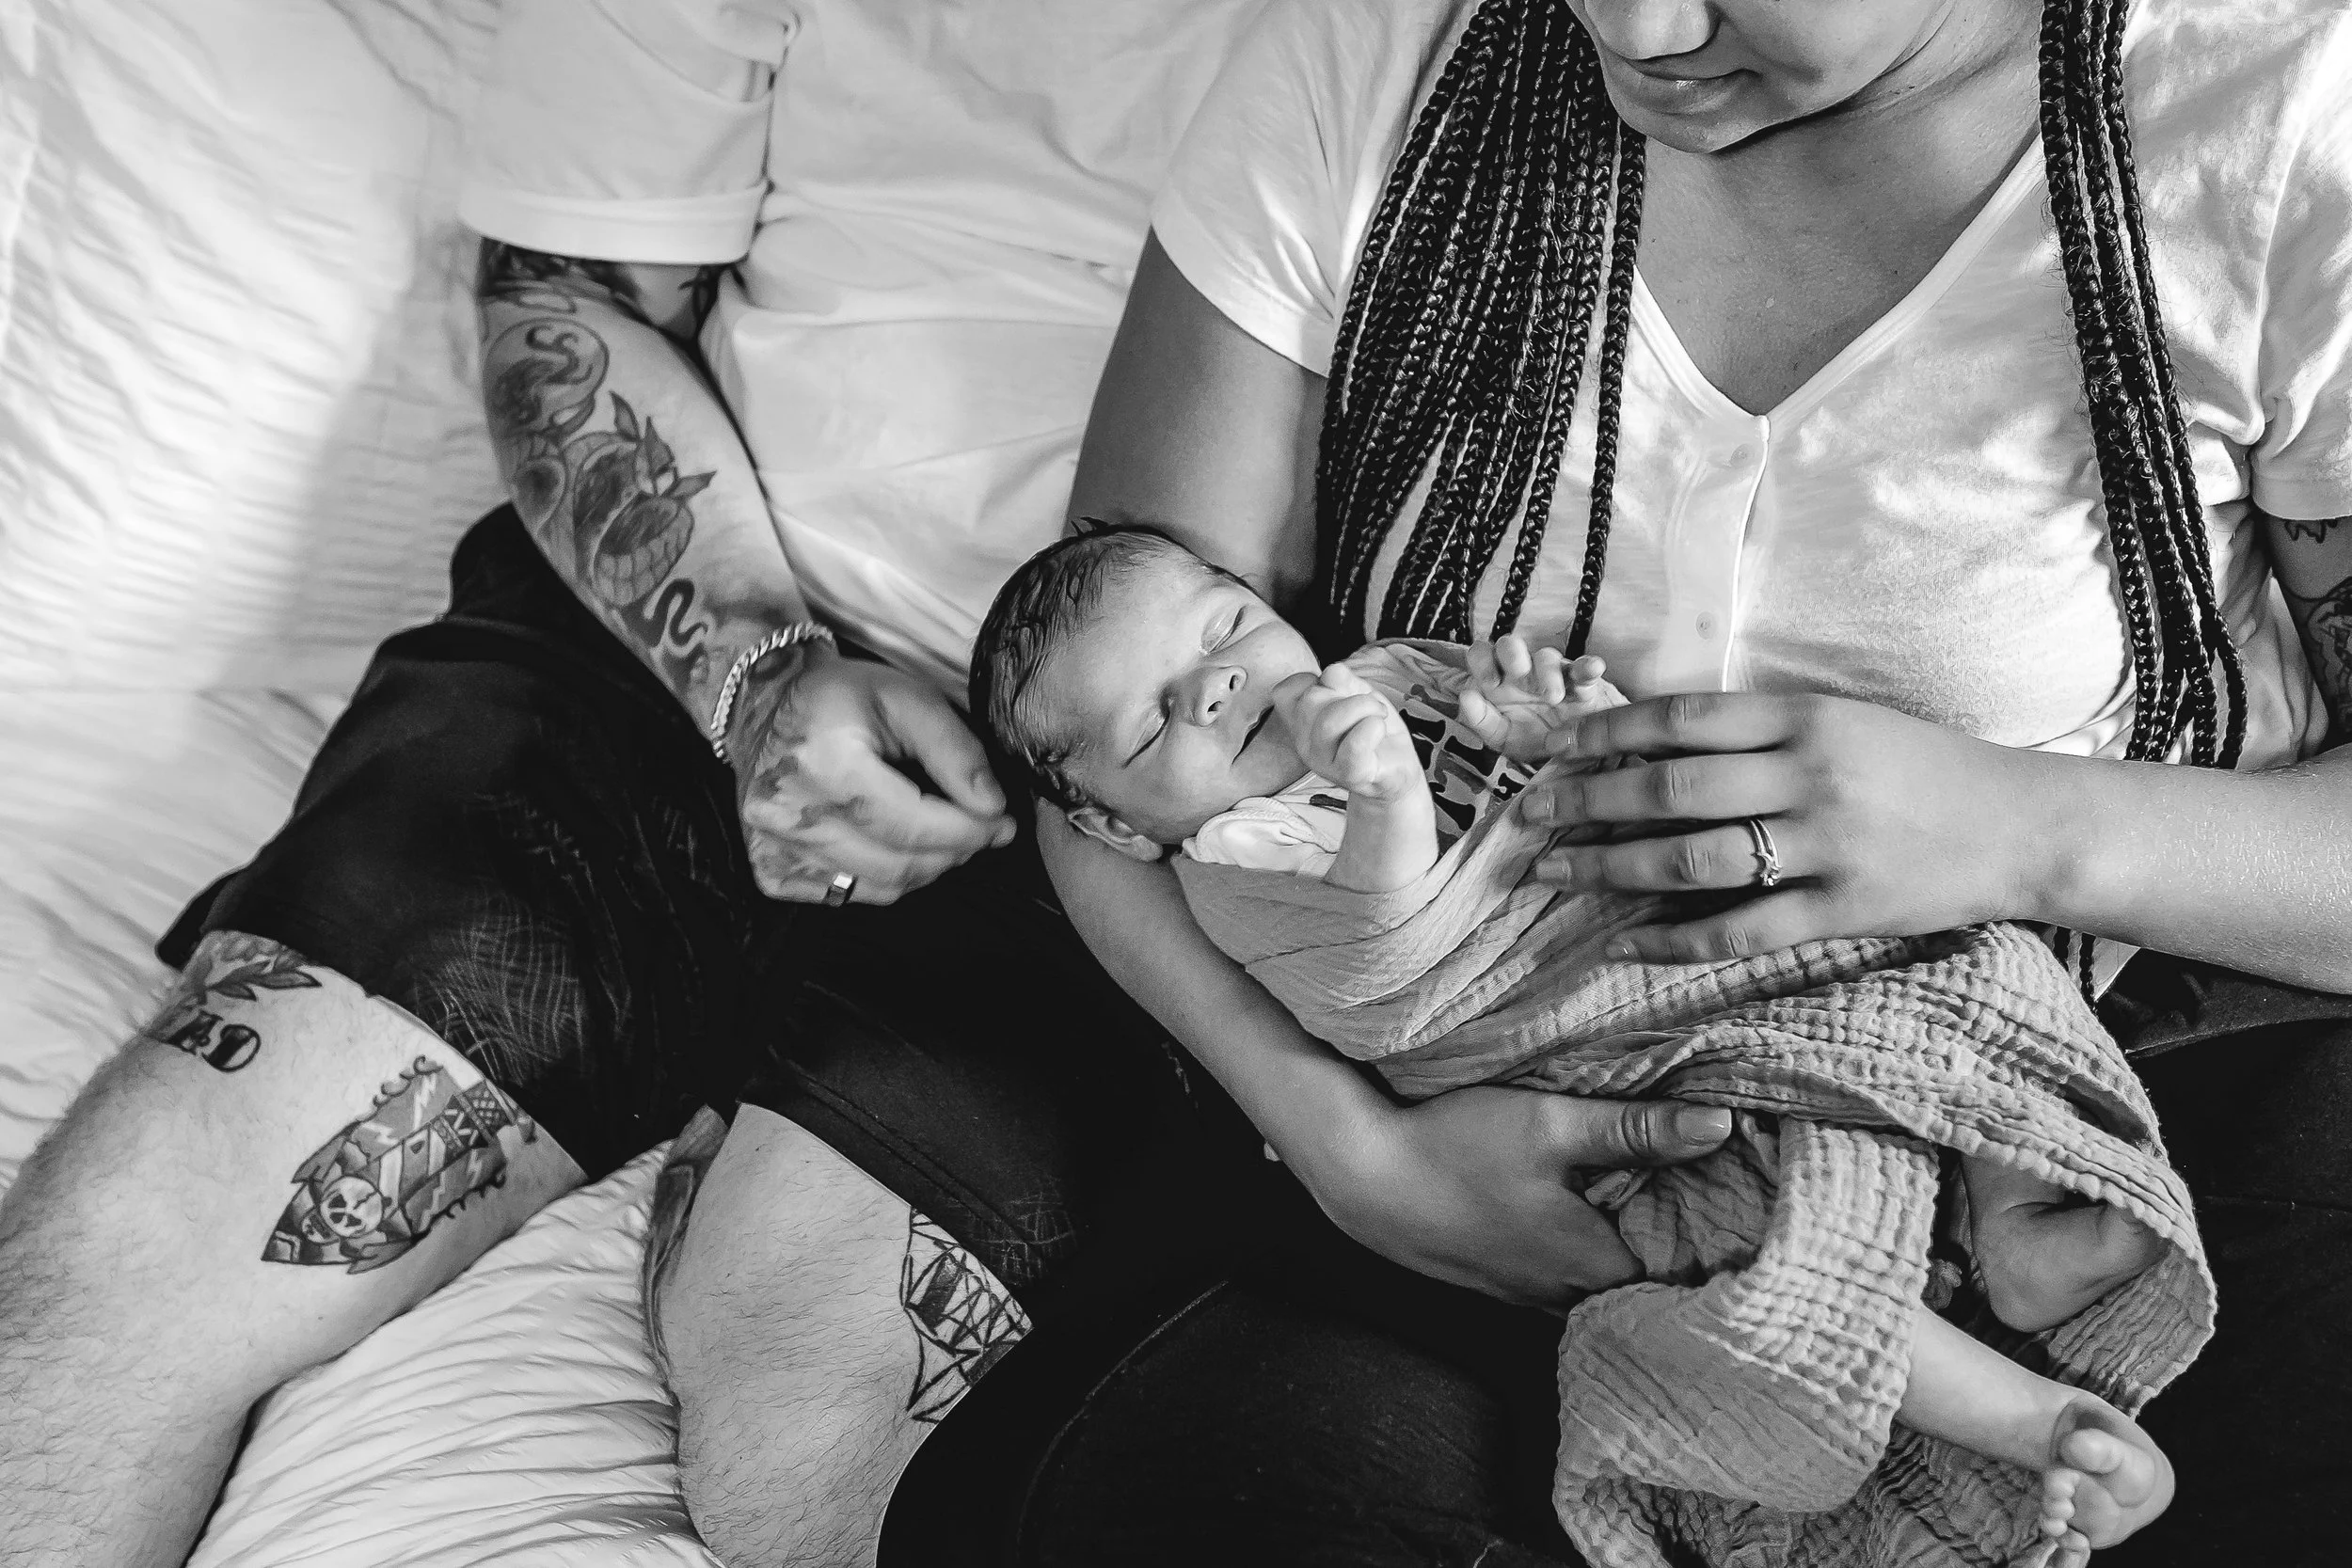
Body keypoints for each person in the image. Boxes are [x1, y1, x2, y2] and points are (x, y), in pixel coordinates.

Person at [0, 3, 1740, 1566]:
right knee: (136, 1244)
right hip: (691, 634)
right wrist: (752, 678)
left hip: (1190, 784)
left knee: (803, 1439)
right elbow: (568, 297)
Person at [921, 0, 2352, 1560]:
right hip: (1496, 1123)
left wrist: (2027, 833)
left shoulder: (2274, 118)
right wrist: (1352, 1148)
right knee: (1155, 1499)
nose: (1642, 26)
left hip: (2130, 1049)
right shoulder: (1374, 57)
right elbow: (1103, 734)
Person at [969, 522, 2182, 1561]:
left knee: (1962, 977)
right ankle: (2025, 1423)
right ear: (1116, 831)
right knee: (1750, 1247)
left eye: (1225, 627)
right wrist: (1388, 796)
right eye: (1151, 729)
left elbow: (1600, 775)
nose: (1218, 687)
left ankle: (2019, 1215)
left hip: (1707, 956)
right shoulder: (1233, 862)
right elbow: (1375, 965)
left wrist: (1560, 722)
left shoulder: (1393, 679)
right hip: (1574, 1055)